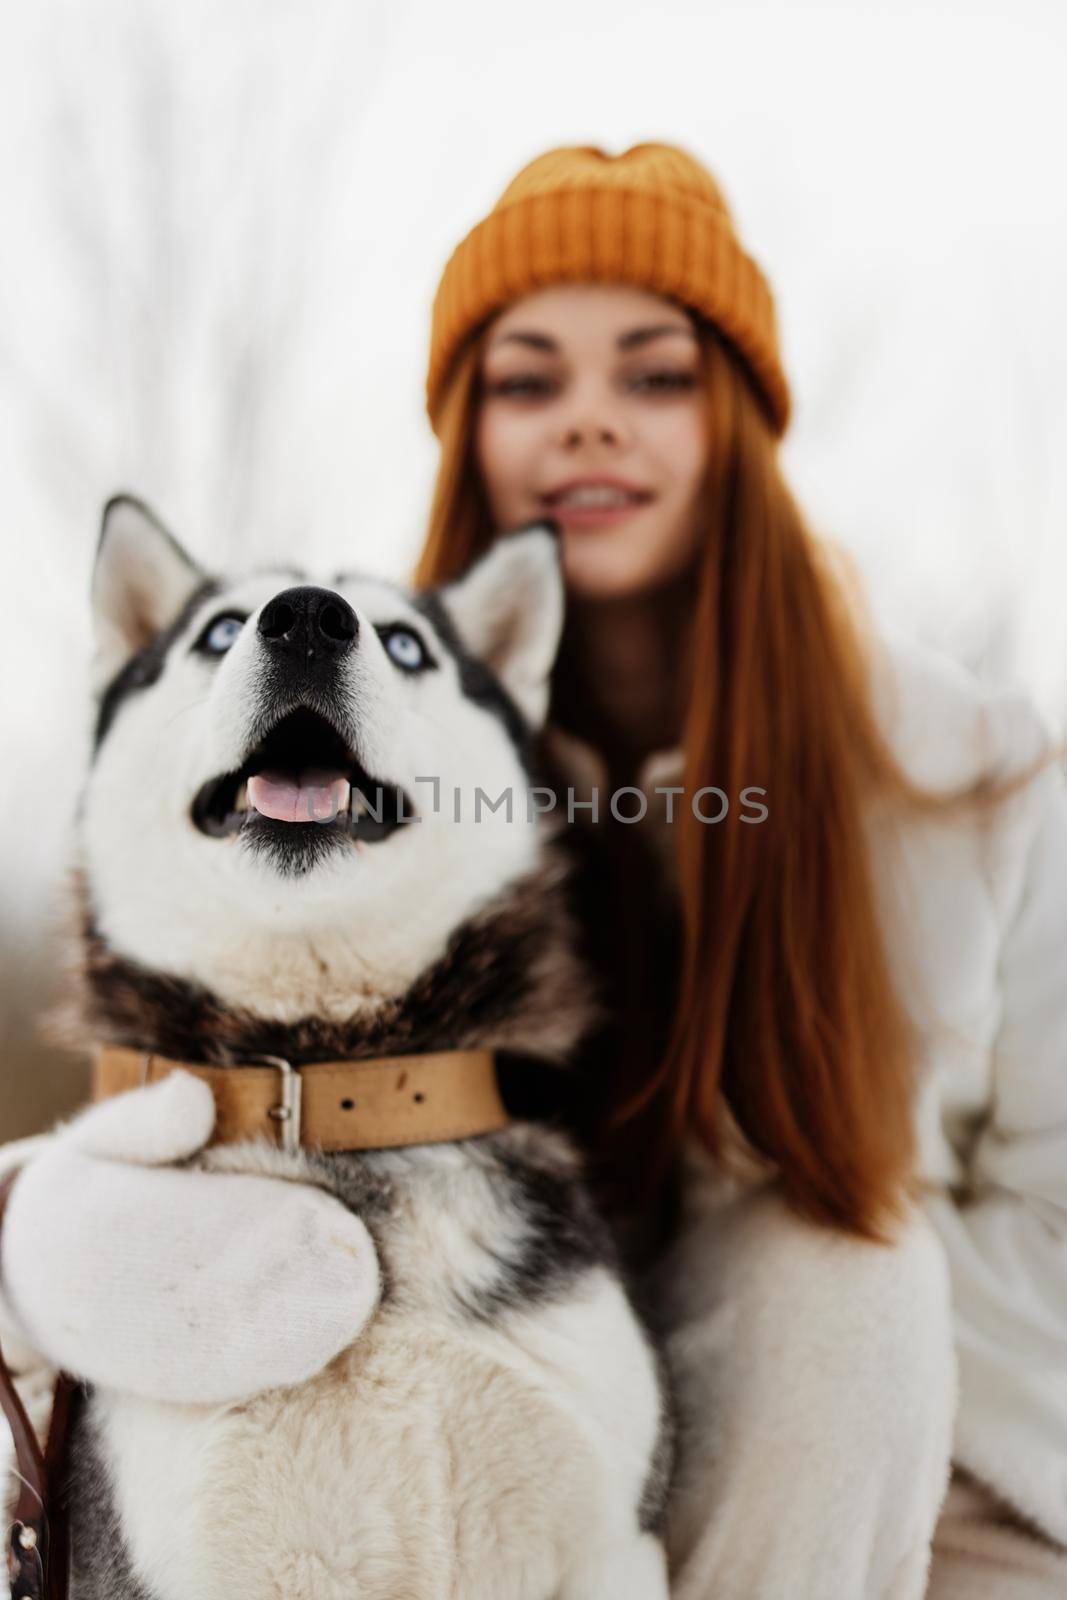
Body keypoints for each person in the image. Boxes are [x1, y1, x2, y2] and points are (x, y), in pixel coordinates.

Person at [2, 141, 1066, 1599]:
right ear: (468, 433)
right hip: (520, 1363)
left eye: (653, 374)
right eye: (527, 380)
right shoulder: (404, 718)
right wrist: (41, 1238)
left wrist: (852, 1331)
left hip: (928, 1506)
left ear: (741, 425)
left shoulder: (982, 778)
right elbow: (250, 1013)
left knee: (842, 1294)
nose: (588, 425)